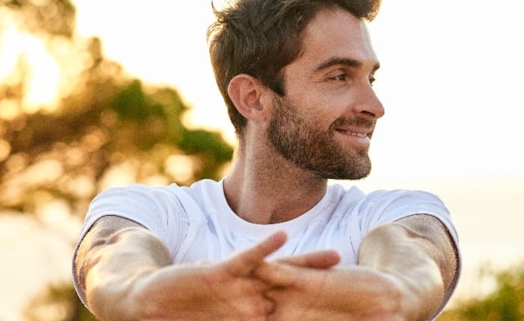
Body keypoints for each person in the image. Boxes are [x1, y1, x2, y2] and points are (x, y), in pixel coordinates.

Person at [71, 0, 461, 320]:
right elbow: (113, 252)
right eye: (340, 76)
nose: (374, 106)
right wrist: (143, 295)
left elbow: (413, 252)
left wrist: (394, 293)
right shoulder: (154, 213)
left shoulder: (393, 214)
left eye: (370, 79)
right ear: (253, 99)